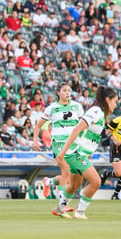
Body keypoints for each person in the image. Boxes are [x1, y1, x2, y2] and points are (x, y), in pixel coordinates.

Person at [53, 86, 118, 219]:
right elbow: (77, 129)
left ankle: (60, 207)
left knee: (74, 184)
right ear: (107, 100)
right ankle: (80, 211)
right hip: (76, 153)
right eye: (114, 101)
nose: (115, 105)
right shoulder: (96, 111)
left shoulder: (101, 114)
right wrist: (62, 152)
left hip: (79, 153)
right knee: (96, 181)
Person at [33, 83, 84, 213]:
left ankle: (48, 182)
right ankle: (63, 205)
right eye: (64, 91)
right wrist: (35, 141)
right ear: (58, 93)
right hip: (59, 144)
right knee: (66, 172)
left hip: (74, 144)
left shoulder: (77, 106)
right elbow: (38, 126)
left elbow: (83, 126)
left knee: (71, 176)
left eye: (69, 91)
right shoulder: (52, 108)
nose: (67, 93)